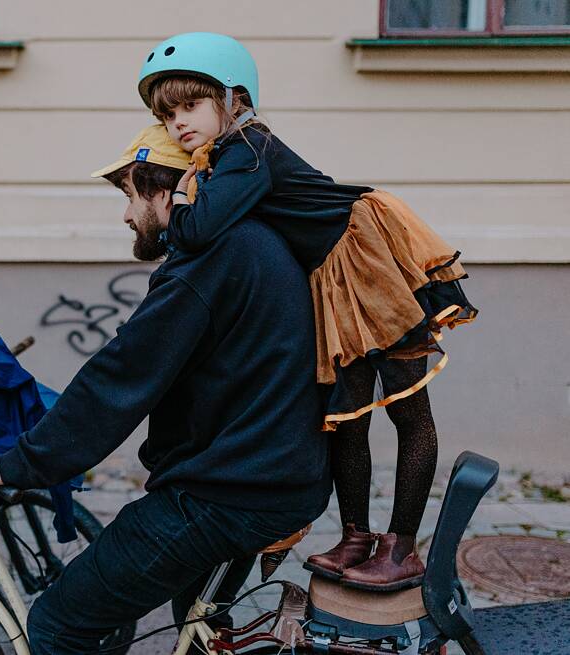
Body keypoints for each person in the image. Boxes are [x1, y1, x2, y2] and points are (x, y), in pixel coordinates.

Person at [0, 125, 331, 654]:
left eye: (130, 195)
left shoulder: (208, 262)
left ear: (166, 190)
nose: (127, 214)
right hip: (270, 479)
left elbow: (121, 376)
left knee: (57, 624)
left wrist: (12, 464)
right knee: (198, 633)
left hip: (228, 494)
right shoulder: (247, 244)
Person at [136, 32, 478, 591]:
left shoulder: (248, 148)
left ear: (234, 98)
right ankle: (357, 537)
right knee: (346, 416)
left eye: (190, 105)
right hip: (332, 276)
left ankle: (403, 547)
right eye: (167, 114)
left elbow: (196, 231)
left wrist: (177, 199)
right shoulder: (224, 157)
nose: (178, 123)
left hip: (369, 259)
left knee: (407, 409)